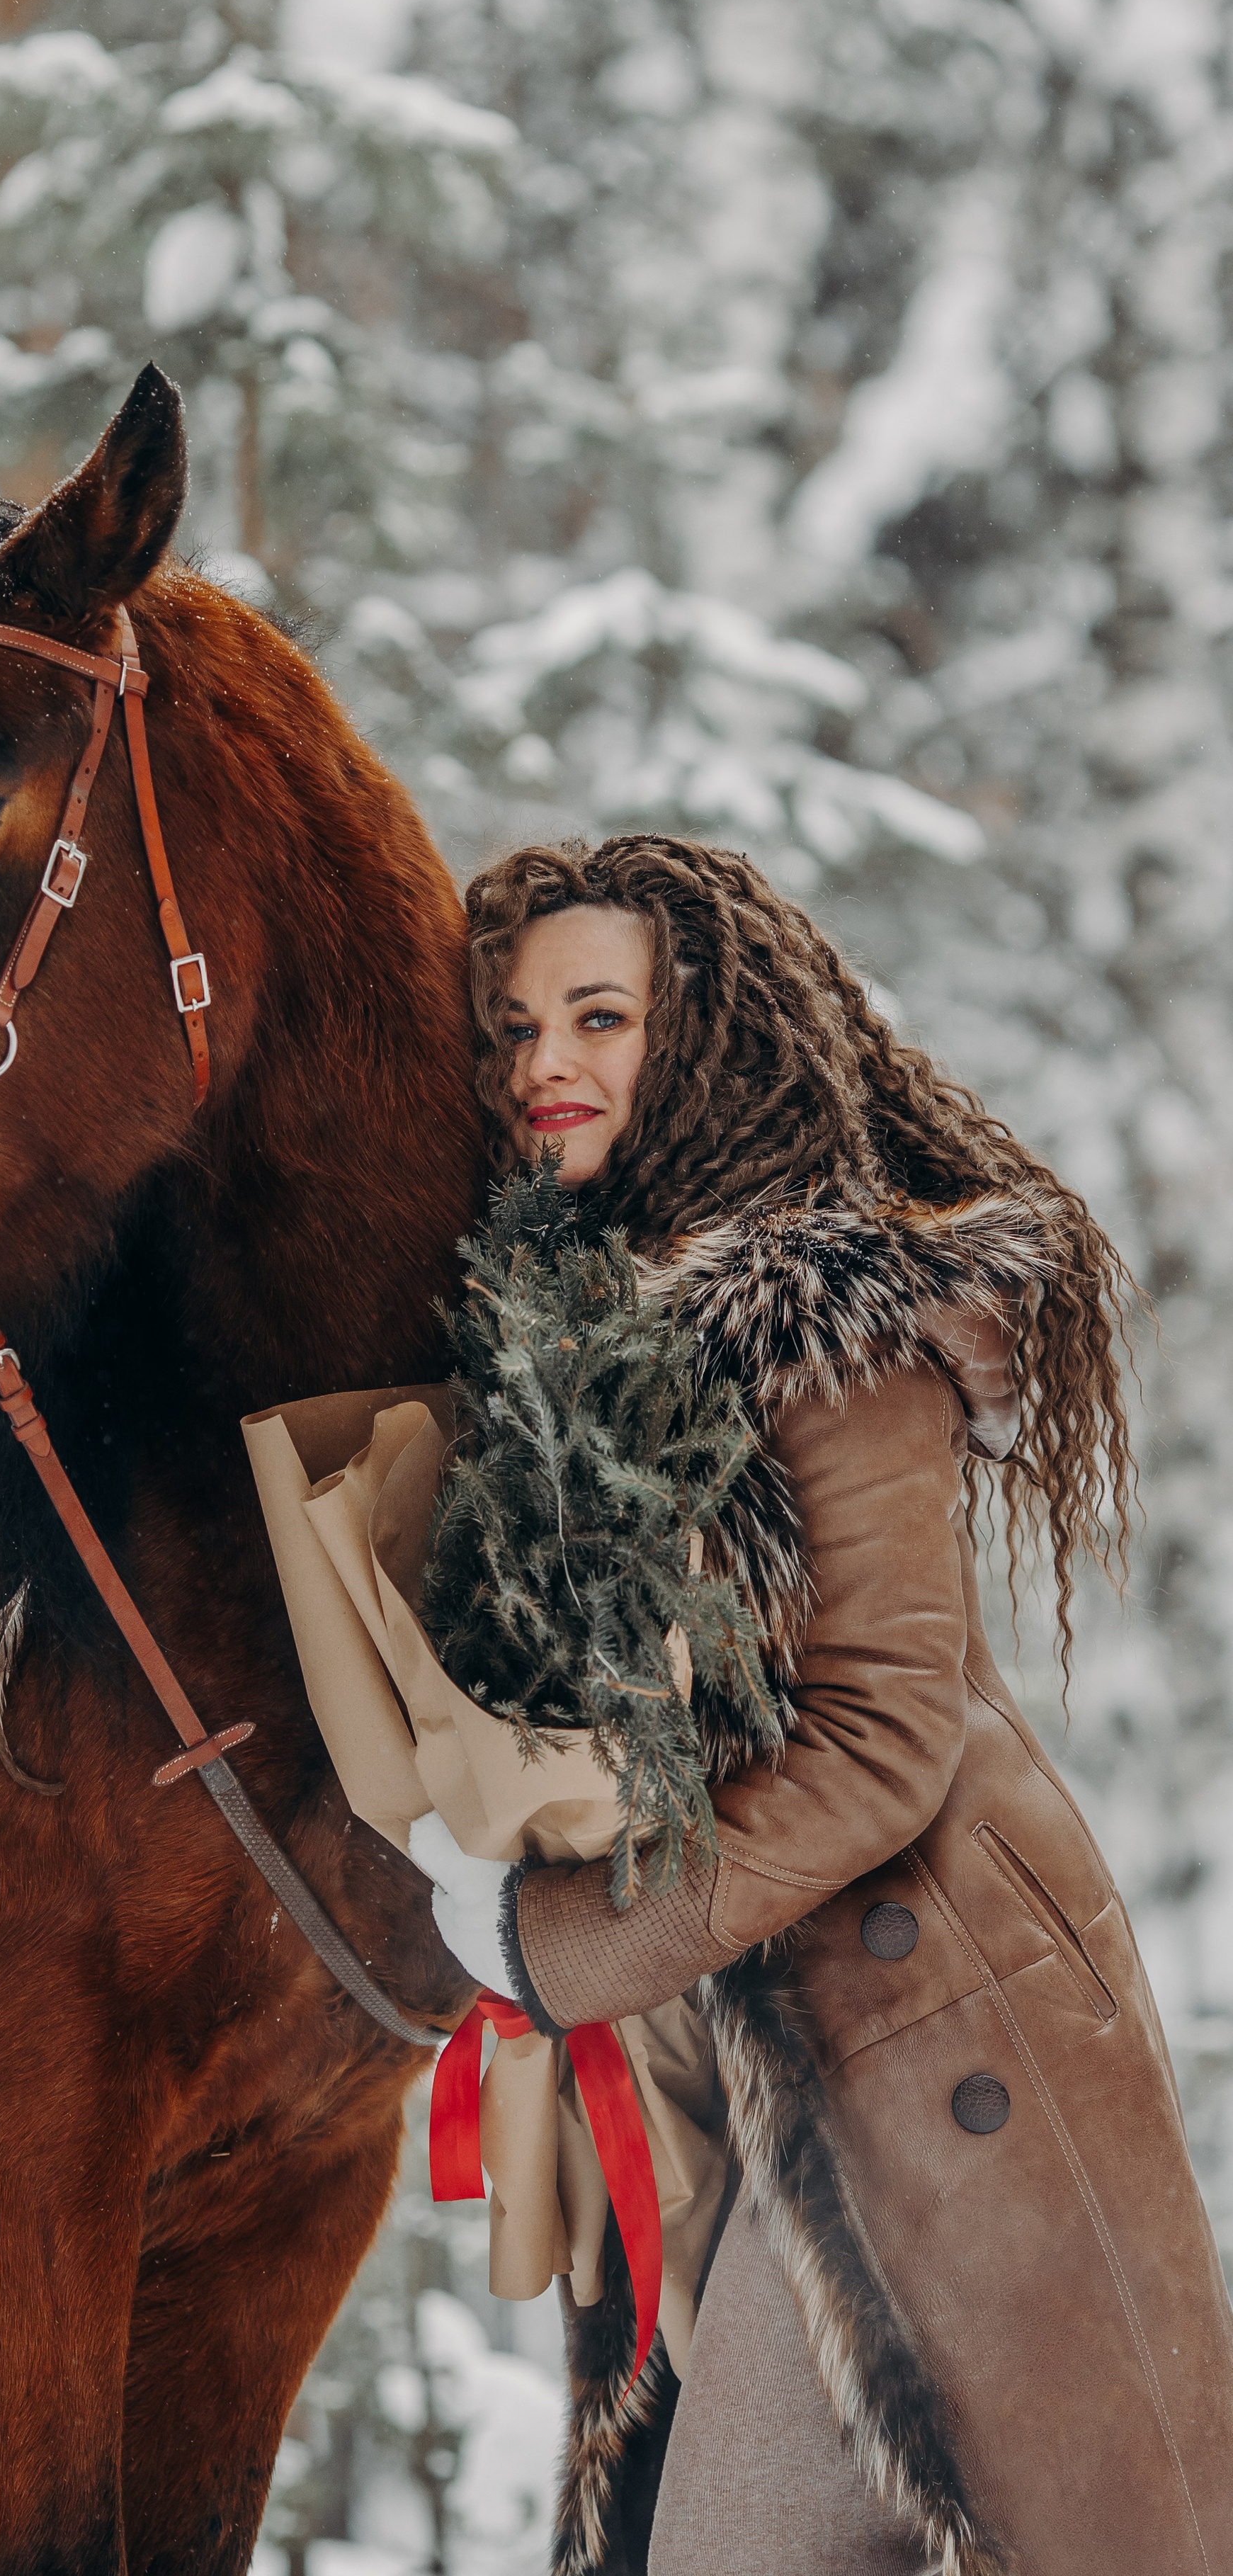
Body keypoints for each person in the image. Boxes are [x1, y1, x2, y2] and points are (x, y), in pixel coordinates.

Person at [423, 834, 1233, 2576]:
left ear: (703, 1035)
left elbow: (880, 1742)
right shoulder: (580, 1343)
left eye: (596, 1016)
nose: (540, 1065)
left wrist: (557, 1938)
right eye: (508, 1028)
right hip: (743, 2064)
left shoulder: (819, 1320)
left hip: (915, 2040)